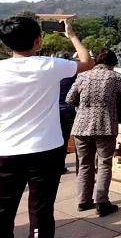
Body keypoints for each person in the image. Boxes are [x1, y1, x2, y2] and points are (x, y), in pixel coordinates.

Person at [0, 17, 93, 237]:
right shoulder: (49, 65)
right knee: (41, 210)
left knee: (3, 209)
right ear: (37, 41)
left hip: (5, 150)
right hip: (45, 150)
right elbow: (87, 62)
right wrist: (70, 35)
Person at [67, 48, 121, 217]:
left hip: (81, 126)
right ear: (113, 64)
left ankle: (83, 201)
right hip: (105, 125)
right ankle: (102, 202)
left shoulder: (83, 75)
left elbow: (70, 99)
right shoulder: (115, 77)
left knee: (85, 163)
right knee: (104, 164)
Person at [57, 52, 77, 175]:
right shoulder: (71, 74)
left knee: (59, 138)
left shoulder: (53, 74)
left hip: (55, 109)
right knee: (69, 137)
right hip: (69, 109)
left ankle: (58, 164)